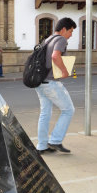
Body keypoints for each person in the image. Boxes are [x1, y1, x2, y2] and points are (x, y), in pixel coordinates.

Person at [35, 17, 77, 155]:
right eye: (70, 31)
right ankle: (55, 140)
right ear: (64, 29)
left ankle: (41, 146)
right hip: (50, 83)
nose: (71, 35)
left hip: (40, 82)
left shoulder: (47, 39)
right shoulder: (61, 40)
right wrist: (64, 71)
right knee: (68, 109)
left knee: (45, 112)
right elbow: (55, 56)